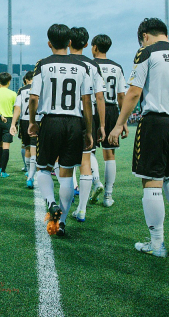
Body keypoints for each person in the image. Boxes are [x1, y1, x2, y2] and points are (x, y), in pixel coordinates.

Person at [109, 17, 169, 259]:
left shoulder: (146, 52)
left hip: (156, 122)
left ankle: (157, 243)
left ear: (145, 36)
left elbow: (134, 92)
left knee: (152, 181)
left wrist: (119, 124)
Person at [28, 24, 94, 237]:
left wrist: (32, 122)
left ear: (49, 43)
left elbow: (33, 98)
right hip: (74, 123)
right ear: (69, 43)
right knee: (67, 174)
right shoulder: (82, 66)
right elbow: (87, 101)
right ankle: (62, 222)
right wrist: (89, 131)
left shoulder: (43, 65)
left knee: (44, 169)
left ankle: (51, 203)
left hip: (51, 121)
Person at [67, 27, 106, 223]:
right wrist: (102, 125)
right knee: (86, 161)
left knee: (62, 162)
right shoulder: (93, 66)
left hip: (64, 116)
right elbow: (99, 96)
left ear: (68, 42)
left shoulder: (59, 62)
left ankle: (63, 210)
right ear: (85, 44)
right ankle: (82, 210)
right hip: (87, 114)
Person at [92, 33, 128, 207]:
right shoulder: (117, 67)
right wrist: (124, 121)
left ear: (95, 47)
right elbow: (122, 96)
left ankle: (96, 182)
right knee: (110, 154)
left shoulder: (90, 65)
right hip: (112, 109)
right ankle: (108, 196)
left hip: (92, 109)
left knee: (88, 151)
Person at [10, 71, 36, 188]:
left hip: (25, 121)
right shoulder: (40, 87)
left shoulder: (21, 90)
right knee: (36, 147)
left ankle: (29, 173)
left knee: (27, 147)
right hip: (37, 120)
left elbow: (17, 108)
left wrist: (13, 124)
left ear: (25, 80)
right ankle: (34, 174)